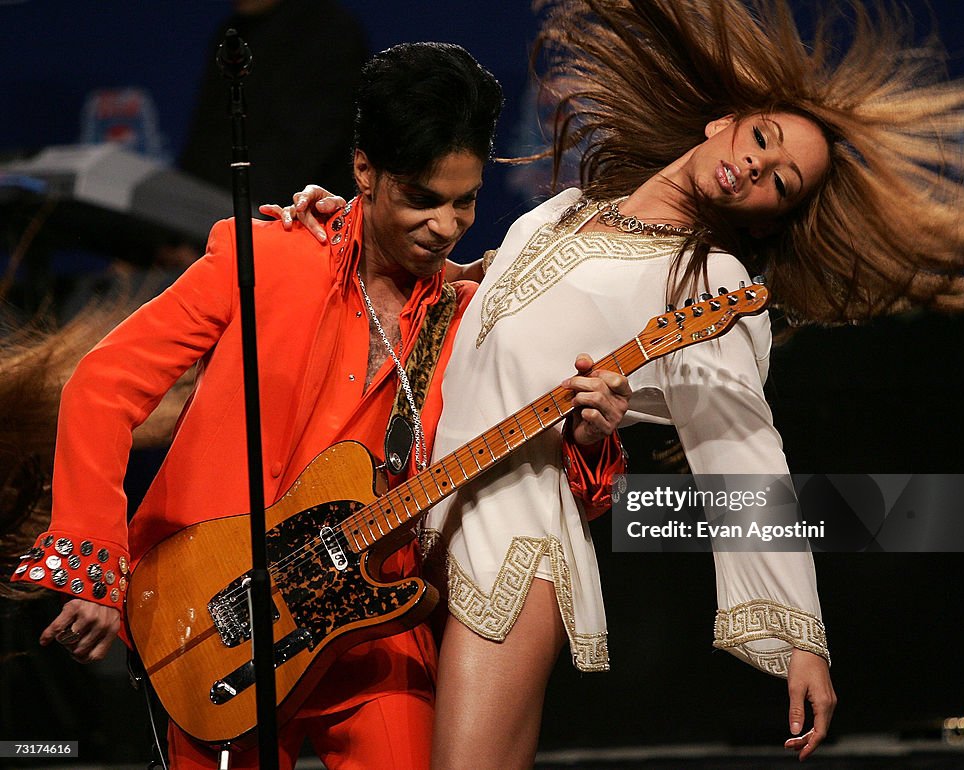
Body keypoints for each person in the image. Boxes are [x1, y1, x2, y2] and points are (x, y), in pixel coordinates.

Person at [279, 0, 964, 766]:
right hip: (408, 530)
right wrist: (351, 224)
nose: (759, 166)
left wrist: (801, 637)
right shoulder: (565, 213)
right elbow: (449, 303)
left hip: (512, 545)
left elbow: (743, 448)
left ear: (773, 218)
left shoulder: (709, 283)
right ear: (723, 123)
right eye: (763, 138)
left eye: (782, 181)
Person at [9, 41, 628, 770]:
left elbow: (561, 494)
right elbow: (103, 384)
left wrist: (590, 437)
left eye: (464, 202)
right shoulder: (265, 257)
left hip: (374, 631)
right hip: (210, 615)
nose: (447, 225)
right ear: (364, 171)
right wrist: (95, 567)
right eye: (422, 199)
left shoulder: (472, 319)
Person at [179, 0, 370, 204]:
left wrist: (233, 214)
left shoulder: (331, 32)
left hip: (297, 216)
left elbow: (306, 148)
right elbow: (205, 139)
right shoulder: (232, 33)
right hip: (214, 213)